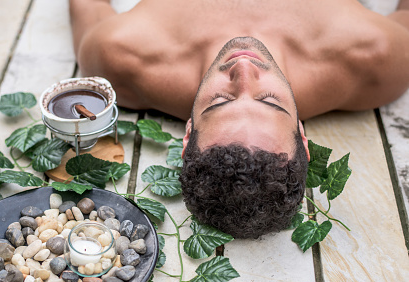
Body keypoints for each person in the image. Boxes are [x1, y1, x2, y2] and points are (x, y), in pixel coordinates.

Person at [70, 0, 409, 238]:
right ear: (302, 135)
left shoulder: (121, 57)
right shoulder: (373, 60)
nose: (244, 69)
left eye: (220, 99)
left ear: (188, 134)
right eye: (270, 100)